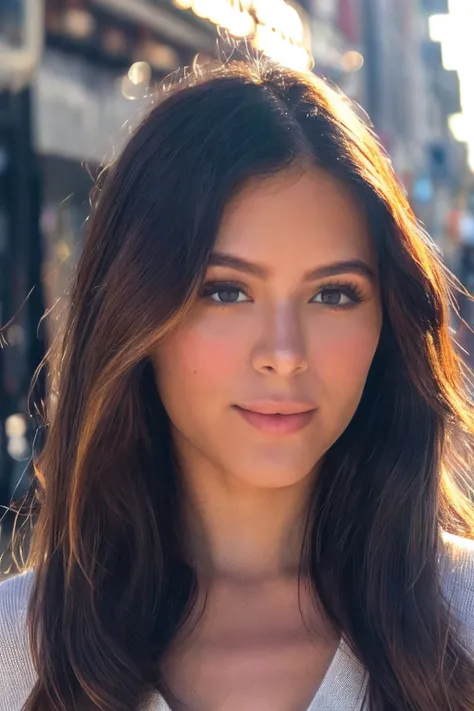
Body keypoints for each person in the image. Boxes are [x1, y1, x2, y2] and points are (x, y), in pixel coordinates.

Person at [0, 60, 473, 711]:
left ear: (385, 321)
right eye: (226, 291)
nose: (283, 353)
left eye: (334, 294)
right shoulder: (14, 648)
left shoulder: (464, 615)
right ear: (138, 315)